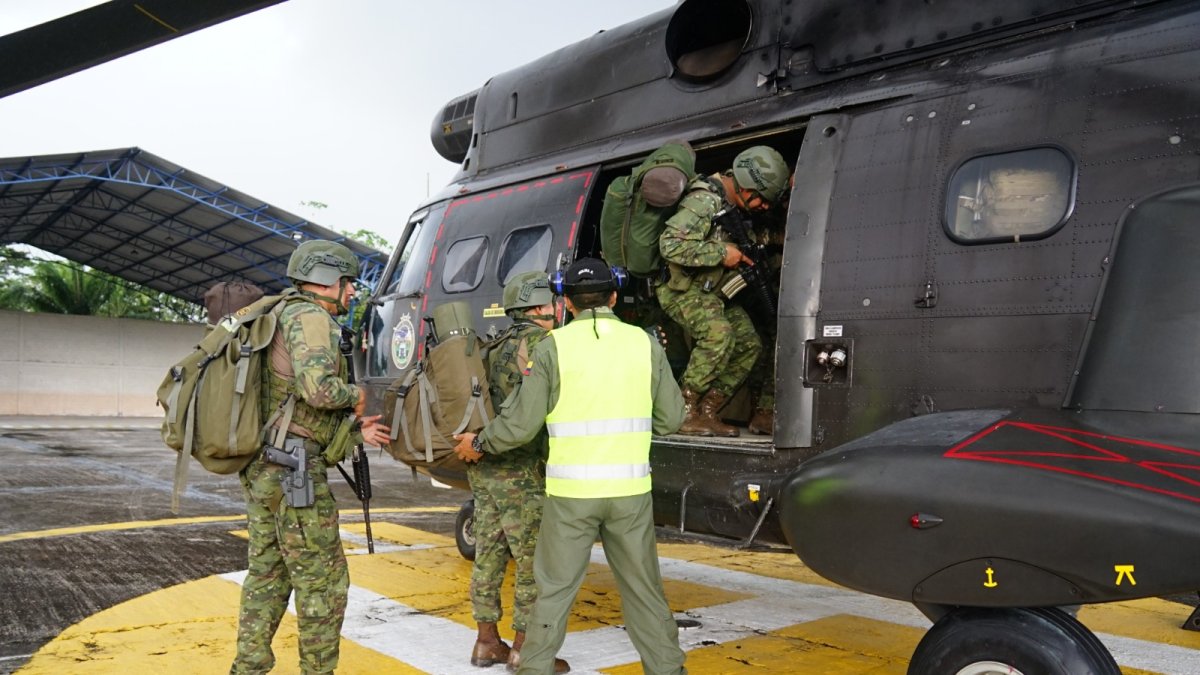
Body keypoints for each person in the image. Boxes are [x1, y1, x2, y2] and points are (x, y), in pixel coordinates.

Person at [453, 258, 687, 675]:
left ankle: (534, 668)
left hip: (570, 497)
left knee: (553, 593)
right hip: (629, 495)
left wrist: (480, 442)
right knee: (644, 592)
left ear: (567, 301)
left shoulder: (554, 347)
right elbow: (670, 419)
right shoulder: (644, 343)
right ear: (614, 296)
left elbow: (521, 426)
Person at [231, 240, 390, 675]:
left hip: (265, 466)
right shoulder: (311, 317)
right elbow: (318, 391)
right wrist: (357, 396)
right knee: (323, 582)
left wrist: (354, 430)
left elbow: (289, 402)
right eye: (349, 283)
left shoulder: (279, 313)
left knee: (267, 574)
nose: (353, 293)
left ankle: (248, 667)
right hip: (293, 473)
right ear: (327, 281)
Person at [466, 271, 569, 672]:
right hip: (522, 468)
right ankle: (525, 649)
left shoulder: (493, 345)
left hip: (485, 466)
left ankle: (486, 641)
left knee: (488, 555)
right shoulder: (544, 344)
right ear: (543, 305)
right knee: (531, 561)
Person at [656, 145, 789, 437]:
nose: (765, 208)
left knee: (749, 343)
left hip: (710, 291)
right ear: (748, 187)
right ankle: (684, 410)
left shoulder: (729, 208)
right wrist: (720, 254)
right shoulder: (704, 200)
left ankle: (708, 410)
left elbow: (746, 238)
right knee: (719, 335)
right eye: (764, 201)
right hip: (679, 289)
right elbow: (670, 244)